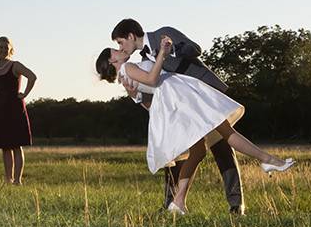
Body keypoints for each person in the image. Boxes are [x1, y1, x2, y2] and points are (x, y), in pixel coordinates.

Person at [96, 38, 294, 215]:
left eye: (119, 44)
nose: (119, 49)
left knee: (198, 152)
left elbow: (145, 92)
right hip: (183, 100)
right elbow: (152, 79)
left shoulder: (126, 74)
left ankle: (179, 201)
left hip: (179, 100)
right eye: (115, 50)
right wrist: (162, 55)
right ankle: (268, 159)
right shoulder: (127, 68)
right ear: (112, 61)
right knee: (225, 130)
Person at [111, 18, 246, 214]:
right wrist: (135, 96)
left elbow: (195, 48)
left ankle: (236, 204)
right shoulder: (144, 62)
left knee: (222, 146)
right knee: (174, 148)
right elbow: (154, 91)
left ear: (131, 36)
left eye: (121, 42)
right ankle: (171, 203)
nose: (121, 48)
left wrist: (170, 50)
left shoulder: (163, 34)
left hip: (206, 94)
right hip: (184, 107)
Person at [0, 36, 36, 185]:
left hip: (15, 109)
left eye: (5, 47)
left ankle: (18, 180)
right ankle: (8, 179)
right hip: (0, 109)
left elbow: (32, 77)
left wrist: (25, 94)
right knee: (5, 146)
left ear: (11, 49)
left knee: (16, 145)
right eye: (0, 47)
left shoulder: (15, 65)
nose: (3, 50)